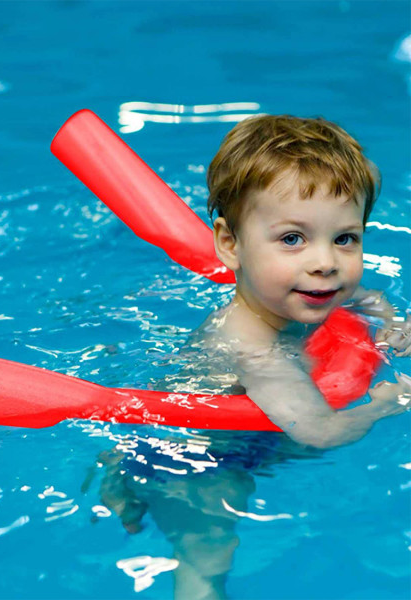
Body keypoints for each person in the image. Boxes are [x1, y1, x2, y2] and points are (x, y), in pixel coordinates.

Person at [94, 115, 410, 599]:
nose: (325, 262)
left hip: (246, 435)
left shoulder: (306, 291)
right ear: (229, 244)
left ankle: (121, 477)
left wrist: (388, 323)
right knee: (208, 555)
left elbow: (364, 298)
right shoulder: (252, 348)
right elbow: (322, 432)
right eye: (292, 239)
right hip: (193, 459)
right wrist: (385, 403)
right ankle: (127, 475)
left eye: (345, 238)